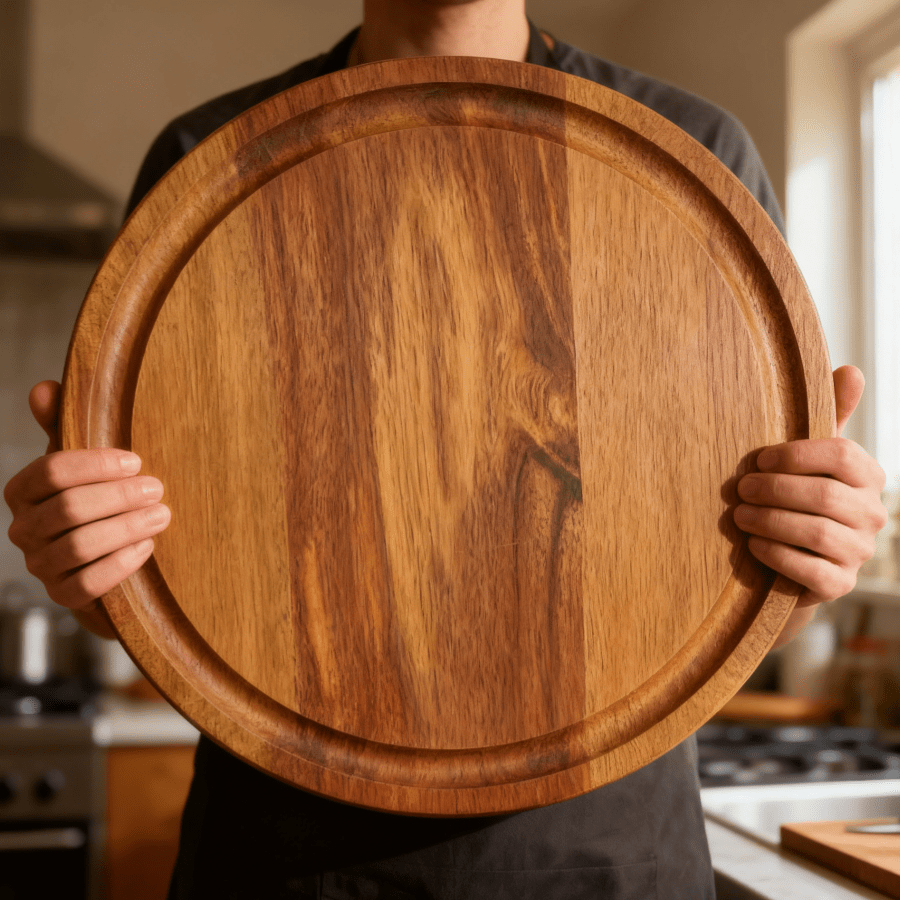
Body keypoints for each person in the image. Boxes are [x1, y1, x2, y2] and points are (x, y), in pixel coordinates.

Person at [3, 1, 889, 898]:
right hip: (283, 860)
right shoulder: (216, 157)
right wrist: (89, 566)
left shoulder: (684, 151)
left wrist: (811, 552)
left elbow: (744, 596)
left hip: (604, 863)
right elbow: (159, 577)